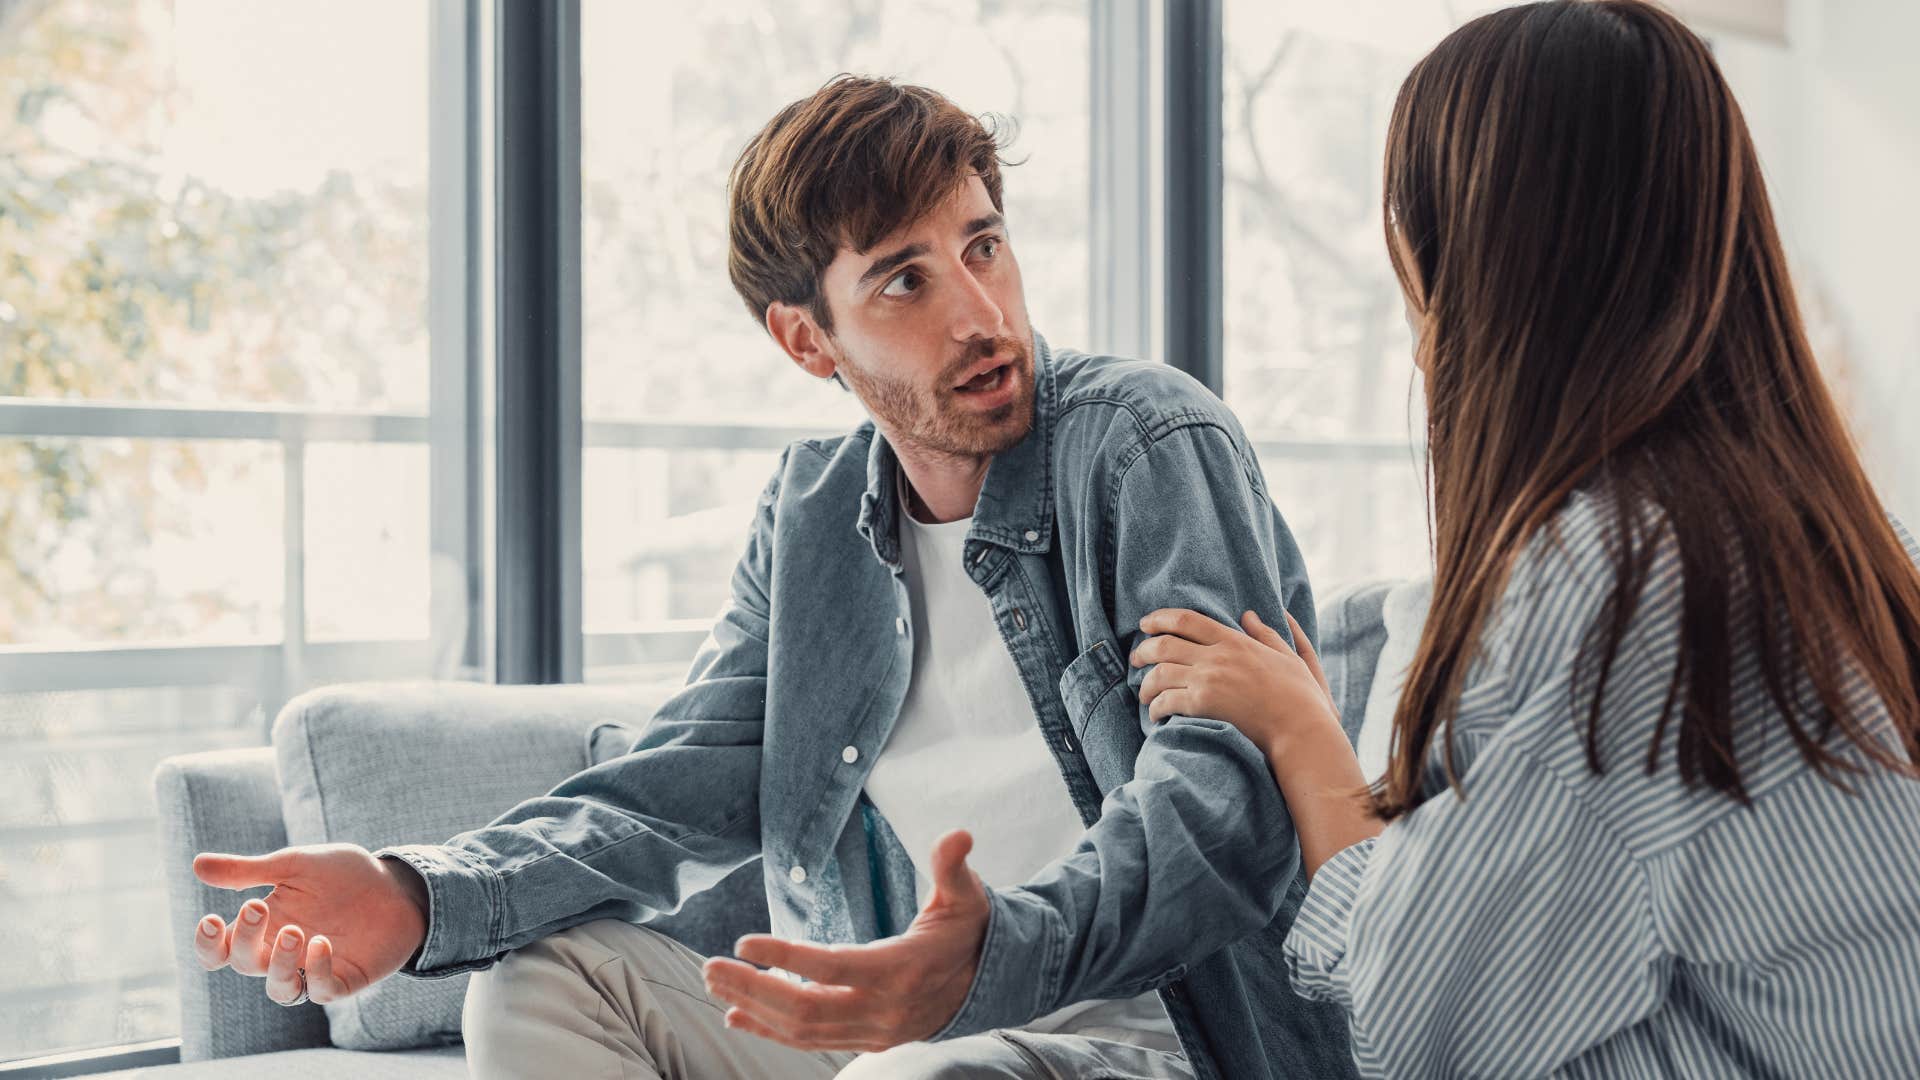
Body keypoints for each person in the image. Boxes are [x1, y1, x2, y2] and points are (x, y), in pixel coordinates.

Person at [725, 2, 1920, 1076]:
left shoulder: (1614, 585)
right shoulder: (1794, 544)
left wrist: (1299, 730)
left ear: (1480, 249)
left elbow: (1412, 1019)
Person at [187, 76, 1355, 1079]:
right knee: (542, 988)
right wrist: (417, 891)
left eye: (983, 245)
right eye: (906, 281)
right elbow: (673, 785)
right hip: (899, 1020)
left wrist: (988, 961)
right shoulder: (811, 522)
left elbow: (1223, 808)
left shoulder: (1147, 443)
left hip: (1165, 1035)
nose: (984, 314)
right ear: (806, 339)